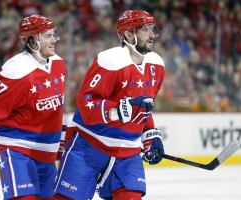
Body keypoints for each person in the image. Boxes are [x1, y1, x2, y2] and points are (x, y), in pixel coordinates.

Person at [53, 10, 165, 200]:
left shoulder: (157, 65)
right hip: (90, 145)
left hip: (127, 152)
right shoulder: (110, 60)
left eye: (152, 28)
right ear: (129, 34)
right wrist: (115, 111)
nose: (153, 34)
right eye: (145, 29)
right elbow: (85, 101)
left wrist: (149, 133)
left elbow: (143, 105)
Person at [0, 14, 67, 200]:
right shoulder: (17, 70)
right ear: (32, 40)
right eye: (47, 35)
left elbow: (54, 106)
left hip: (46, 154)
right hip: (17, 149)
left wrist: (60, 135)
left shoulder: (58, 63)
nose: (54, 39)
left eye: (53, 34)